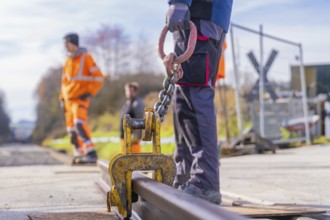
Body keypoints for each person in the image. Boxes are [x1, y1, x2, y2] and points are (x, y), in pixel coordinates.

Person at [165, 0, 233, 204]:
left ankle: (205, 181)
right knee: (184, 100)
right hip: (202, 16)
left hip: (200, 14)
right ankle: (186, 174)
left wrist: (180, 2)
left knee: (194, 97)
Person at [60, 33, 104, 164]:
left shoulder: (86, 58)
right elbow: (64, 83)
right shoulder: (67, 61)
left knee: (79, 124)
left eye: (66, 43)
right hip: (68, 101)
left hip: (80, 98)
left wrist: (89, 92)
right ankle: (79, 154)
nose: (65, 46)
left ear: (73, 42)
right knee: (71, 130)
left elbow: (99, 77)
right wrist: (61, 98)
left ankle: (91, 153)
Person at [120, 82, 145, 153]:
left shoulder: (138, 103)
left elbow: (139, 118)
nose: (129, 92)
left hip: (133, 137)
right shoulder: (127, 103)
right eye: (127, 90)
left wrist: (135, 134)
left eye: (131, 90)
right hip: (124, 136)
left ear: (135, 91)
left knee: (135, 158)